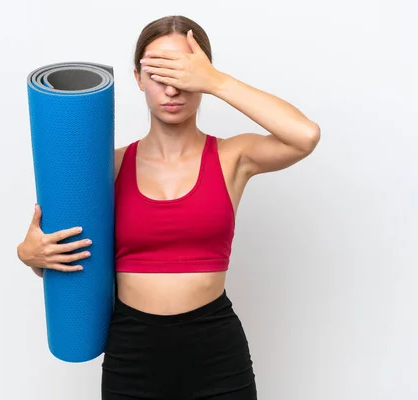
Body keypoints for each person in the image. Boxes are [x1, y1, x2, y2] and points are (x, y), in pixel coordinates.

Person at [17, 15, 320, 400]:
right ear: (138, 79)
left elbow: (305, 136)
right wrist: (30, 256)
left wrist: (216, 81)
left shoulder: (232, 157)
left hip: (217, 354)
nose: (172, 87)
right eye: (158, 72)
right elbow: (68, 258)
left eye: (184, 72)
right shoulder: (104, 169)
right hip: (132, 355)